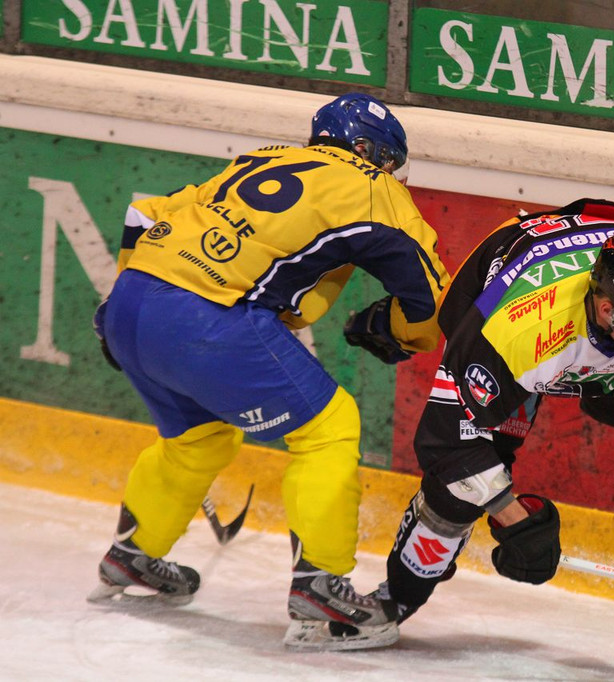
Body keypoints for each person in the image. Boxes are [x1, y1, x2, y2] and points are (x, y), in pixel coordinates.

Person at [88, 93, 450, 651]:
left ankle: (132, 555)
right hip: (209, 315)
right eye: (390, 161)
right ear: (370, 152)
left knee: (199, 438)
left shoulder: (263, 158)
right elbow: (428, 291)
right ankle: (321, 585)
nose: (393, 174)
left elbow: (145, 214)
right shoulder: (374, 187)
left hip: (130, 304)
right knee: (329, 427)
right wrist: (404, 334)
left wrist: (120, 306)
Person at [377, 198, 614, 636]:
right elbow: (444, 440)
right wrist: (512, 518)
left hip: (592, 333)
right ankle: (395, 600)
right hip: (507, 298)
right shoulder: (517, 330)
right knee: (461, 487)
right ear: (608, 311)